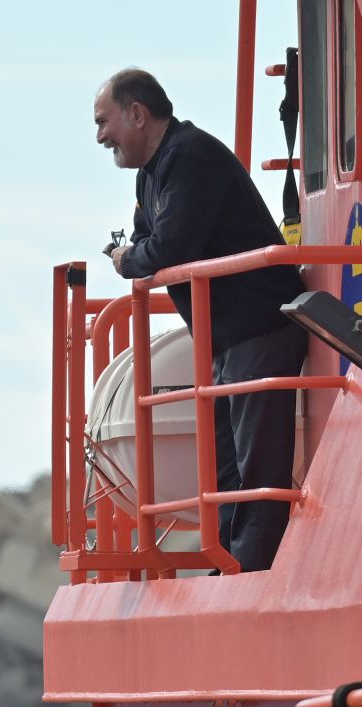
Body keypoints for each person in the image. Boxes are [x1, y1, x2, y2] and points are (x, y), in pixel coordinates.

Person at [99, 67, 307, 573]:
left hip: (260, 327)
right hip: (225, 339)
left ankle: (250, 575)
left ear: (138, 114)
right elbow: (150, 233)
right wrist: (137, 249)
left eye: (104, 122)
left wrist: (126, 259)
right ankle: (229, 565)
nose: (101, 136)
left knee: (257, 469)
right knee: (226, 471)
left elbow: (168, 246)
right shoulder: (155, 171)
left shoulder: (190, 157)